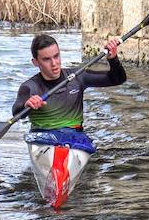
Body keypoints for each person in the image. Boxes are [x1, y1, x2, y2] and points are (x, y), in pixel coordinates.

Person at [12, 33, 125, 210]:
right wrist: (27, 103)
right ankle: (57, 189)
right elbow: (17, 111)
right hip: (44, 139)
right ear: (36, 62)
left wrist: (113, 58)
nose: (54, 63)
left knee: (67, 153)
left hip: (74, 139)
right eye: (47, 59)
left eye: (56, 56)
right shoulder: (30, 87)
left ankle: (60, 187)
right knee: (56, 155)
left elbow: (117, 79)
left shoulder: (77, 76)